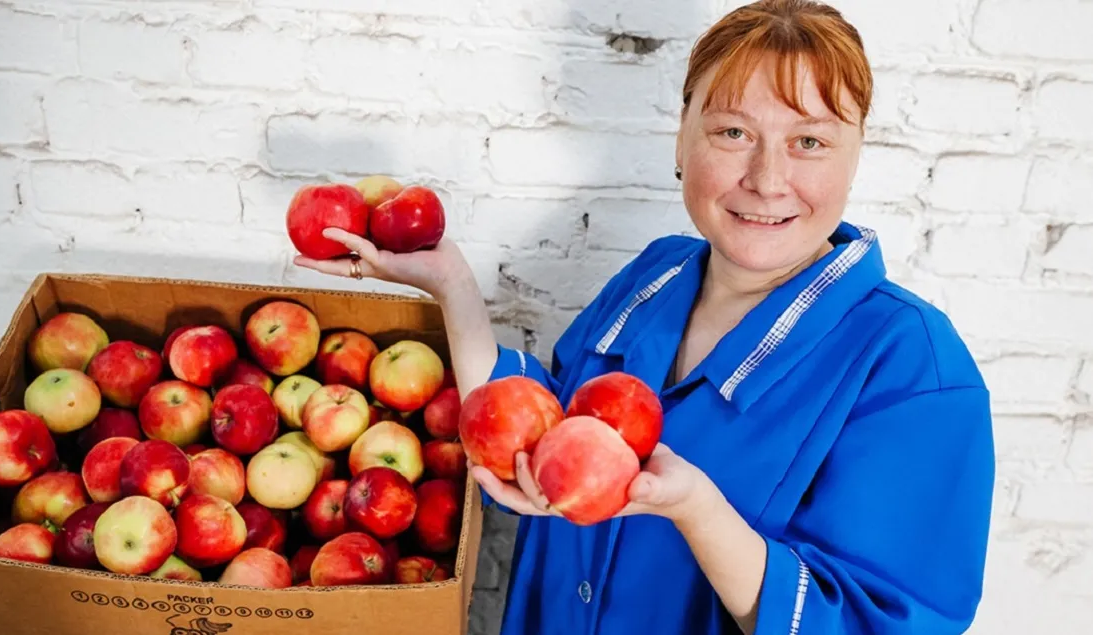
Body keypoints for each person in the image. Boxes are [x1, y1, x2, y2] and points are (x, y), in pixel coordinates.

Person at [294, 0, 996, 633]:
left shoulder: (912, 367)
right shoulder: (653, 278)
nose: (767, 178)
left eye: (809, 142)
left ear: (855, 157)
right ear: (681, 139)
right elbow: (535, 428)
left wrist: (694, 506)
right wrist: (450, 283)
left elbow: (885, 624)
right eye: (731, 132)